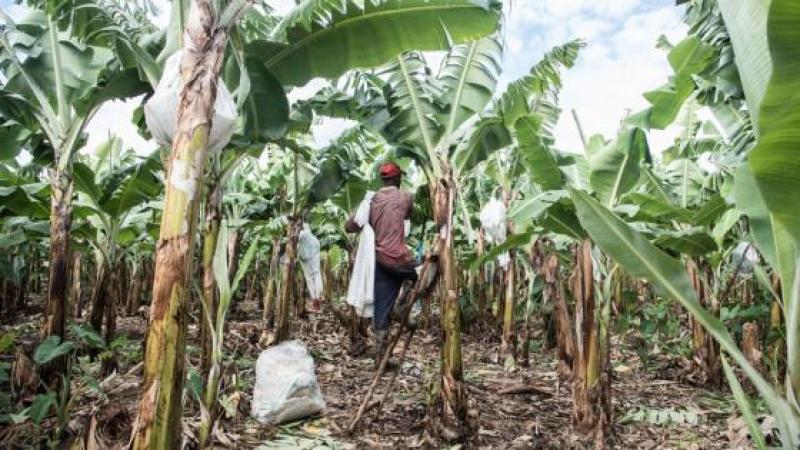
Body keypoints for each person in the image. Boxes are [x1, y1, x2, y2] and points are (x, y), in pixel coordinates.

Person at [346, 161, 418, 367]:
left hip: (379, 261)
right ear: (397, 178)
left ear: (382, 179)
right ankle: (403, 306)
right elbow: (410, 214)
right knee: (424, 271)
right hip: (399, 258)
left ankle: (380, 359)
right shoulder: (406, 197)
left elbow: (351, 226)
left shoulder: (371, 201)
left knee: (381, 308)